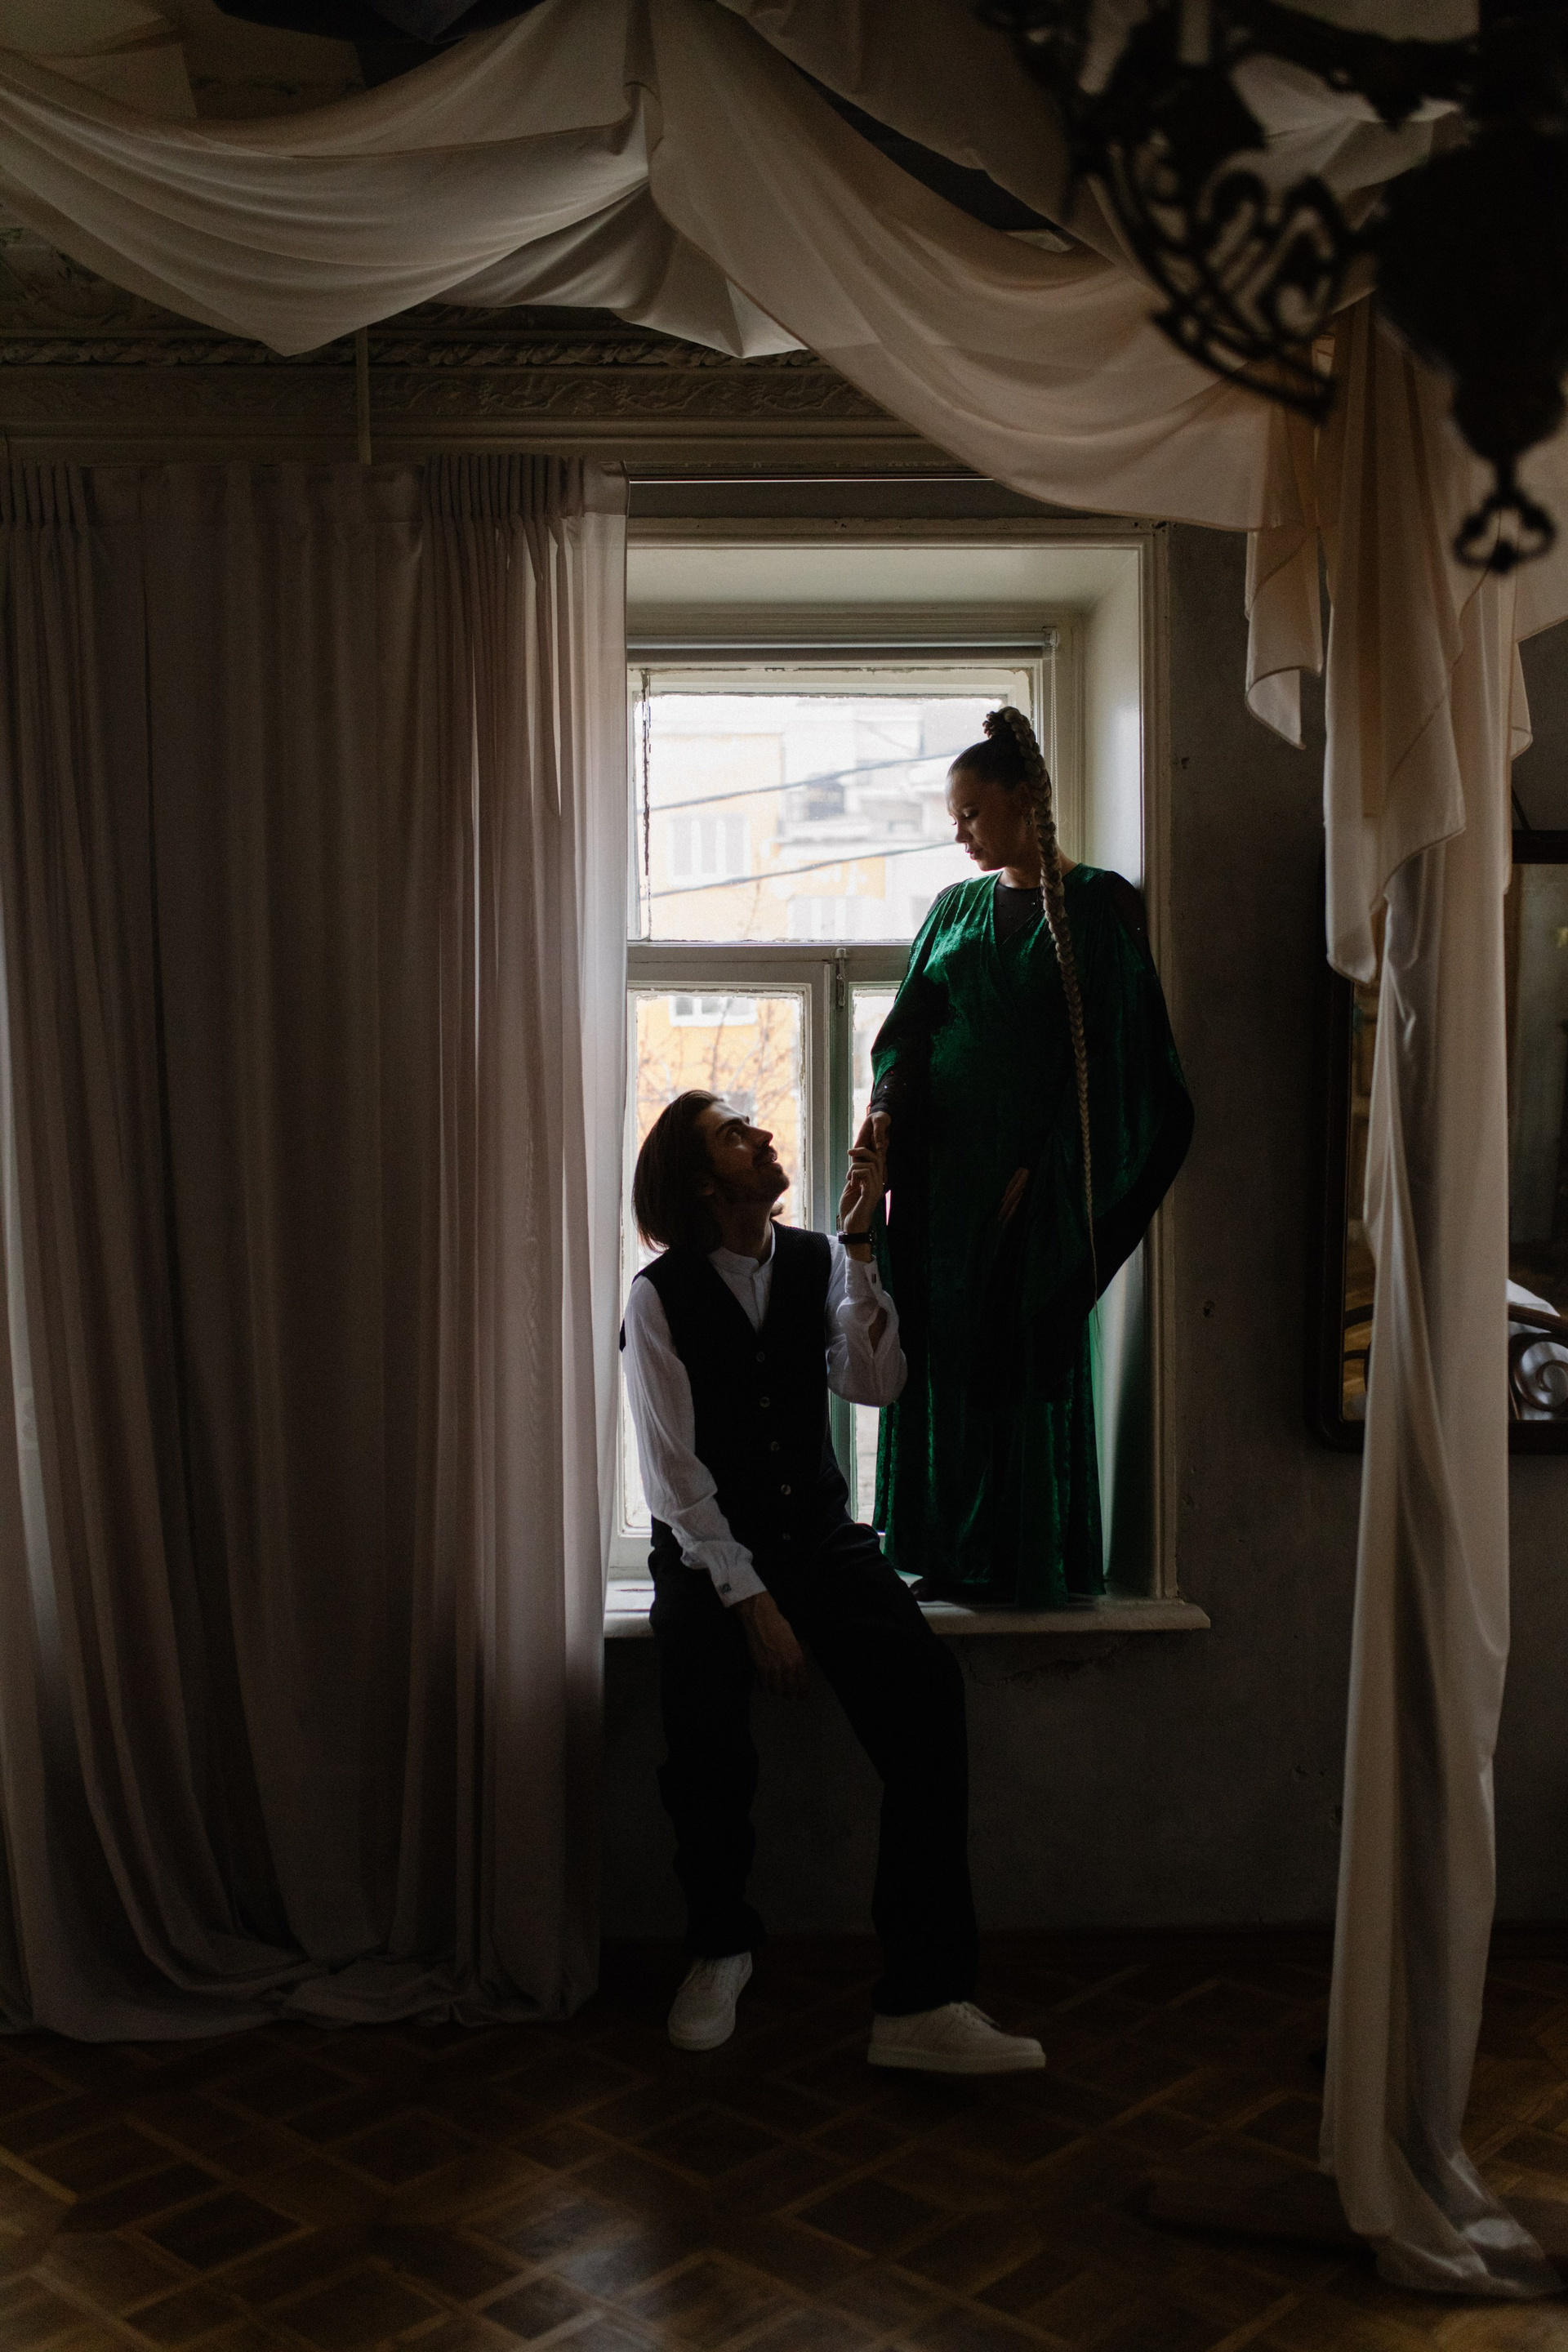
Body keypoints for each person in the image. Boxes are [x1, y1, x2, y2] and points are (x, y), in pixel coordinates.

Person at [620, 1089, 1044, 2072]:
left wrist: (859, 1244)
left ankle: (922, 2001)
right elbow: (674, 1478)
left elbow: (872, 1384)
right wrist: (751, 1601)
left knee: (928, 1698)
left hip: (816, 1535)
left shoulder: (814, 1259)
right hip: (709, 1549)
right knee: (705, 1739)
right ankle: (720, 1945)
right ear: (701, 1183)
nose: (763, 1136)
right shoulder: (658, 1295)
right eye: (734, 1134)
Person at [866, 705, 1192, 1608]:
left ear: (1023, 799)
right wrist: (887, 1115)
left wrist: (1053, 1167)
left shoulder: (1098, 906)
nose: (961, 833)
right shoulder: (954, 909)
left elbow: (1123, 1064)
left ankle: (1024, 1560)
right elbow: (908, 1034)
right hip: (941, 1191)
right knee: (941, 1355)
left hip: (1031, 1198)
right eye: (954, 818)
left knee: (1018, 1353)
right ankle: (941, 1551)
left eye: (972, 812)